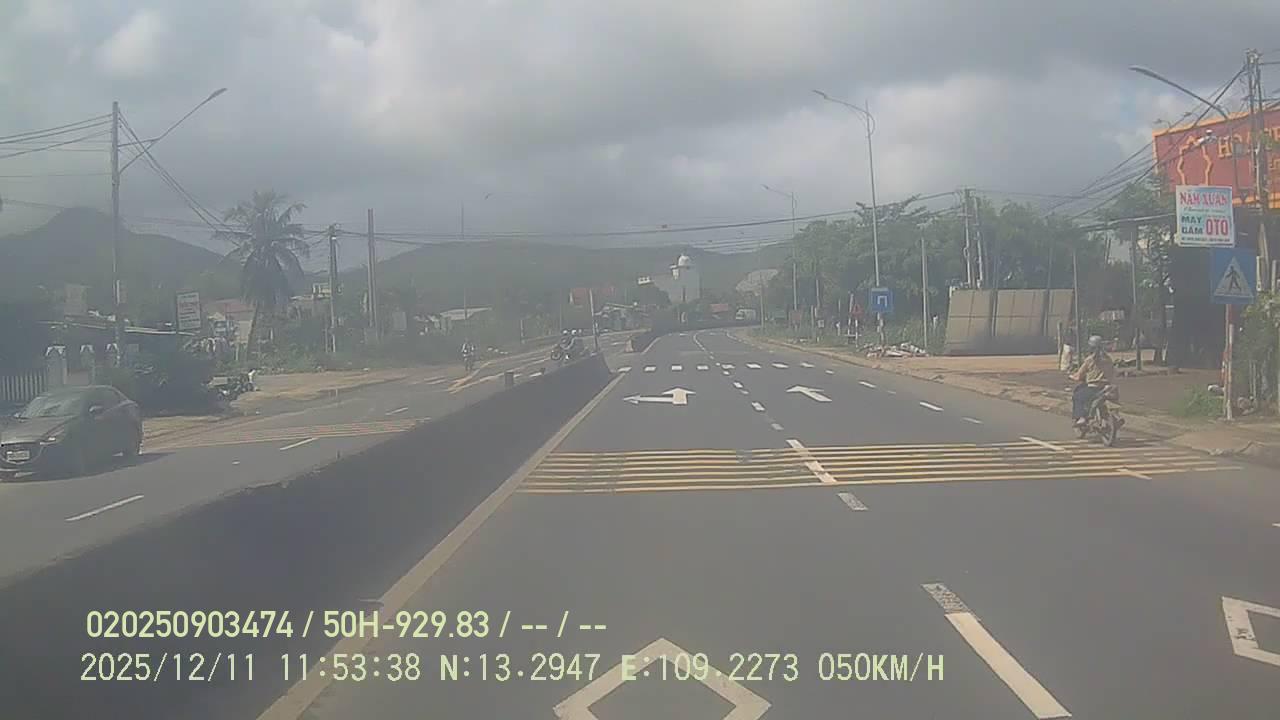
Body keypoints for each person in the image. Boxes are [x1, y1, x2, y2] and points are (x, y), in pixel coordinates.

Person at [1070, 335, 1117, 427]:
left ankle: (1081, 417)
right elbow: (1113, 372)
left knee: (1077, 396)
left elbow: (1079, 375)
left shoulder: (1090, 360)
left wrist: (1073, 377)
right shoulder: (1108, 359)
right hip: (1107, 387)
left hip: (1093, 388)